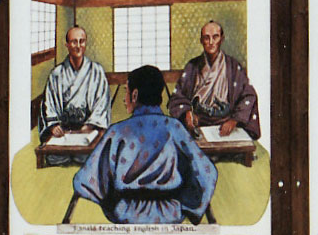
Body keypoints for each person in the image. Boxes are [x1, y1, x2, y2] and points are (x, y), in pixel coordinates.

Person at [73, 65, 217, 225]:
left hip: (127, 212)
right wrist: (192, 207)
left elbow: (84, 180)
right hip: (171, 212)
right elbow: (207, 171)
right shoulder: (174, 127)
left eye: (126, 91)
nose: (124, 98)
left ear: (135, 95)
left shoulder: (118, 131)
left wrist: (110, 203)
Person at [167, 20, 260, 140]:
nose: (211, 42)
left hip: (226, 124)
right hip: (199, 123)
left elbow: (249, 95)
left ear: (222, 39)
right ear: (201, 41)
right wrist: (187, 113)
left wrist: (234, 120)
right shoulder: (192, 66)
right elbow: (178, 97)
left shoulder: (233, 66)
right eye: (206, 38)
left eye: (215, 37)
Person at [39, 25, 110, 140]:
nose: (78, 46)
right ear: (67, 45)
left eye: (81, 41)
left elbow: (102, 104)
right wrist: (54, 126)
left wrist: (90, 125)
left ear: (85, 43)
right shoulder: (56, 74)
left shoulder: (96, 71)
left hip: (89, 130)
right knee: (56, 156)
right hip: (62, 132)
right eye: (73, 42)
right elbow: (49, 104)